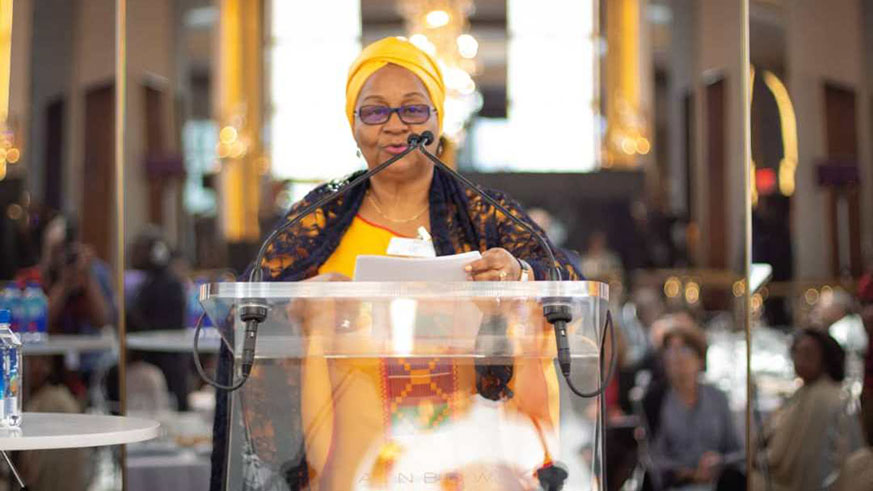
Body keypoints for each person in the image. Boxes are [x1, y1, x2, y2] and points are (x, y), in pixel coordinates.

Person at [210, 37, 581, 491]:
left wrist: (519, 276)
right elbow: (249, 314)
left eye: (412, 109)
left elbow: (565, 281)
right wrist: (301, 306)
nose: (394, 125)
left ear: (437, 121)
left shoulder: (481, 210)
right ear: (353, 125)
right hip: (349, 463)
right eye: (374, 111)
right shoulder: (318, 216)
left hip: (465, 461)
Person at [755, 329, 863, 491]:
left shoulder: (830, 398)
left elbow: (780, 457)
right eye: (797, 352)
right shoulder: (802, 394)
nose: (799, 359)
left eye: (808, 354)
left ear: (825, 358)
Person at [649, 325, 743, 490]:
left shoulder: (717, 397)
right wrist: (688, 474)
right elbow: (653, 459)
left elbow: (737, 451)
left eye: (684, 350)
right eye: (670, 350)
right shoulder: (657, 399)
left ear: (699, 359)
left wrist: (718, 461)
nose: (676, 357)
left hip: (717, 484)